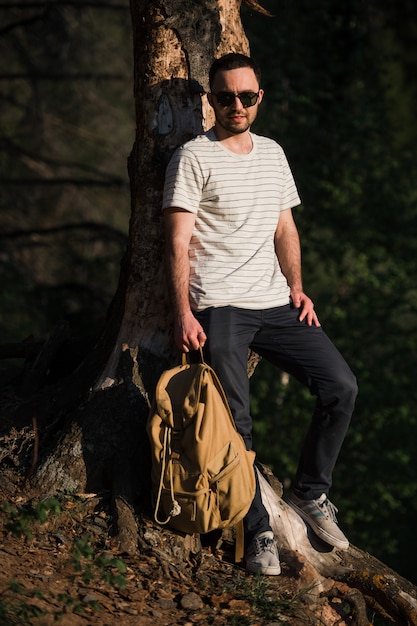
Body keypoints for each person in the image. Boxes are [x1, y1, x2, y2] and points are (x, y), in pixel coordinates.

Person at [162, 52, 358, 576]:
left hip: (275, 301)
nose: (236, 105)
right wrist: (182, 311)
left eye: (246, 96)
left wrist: (298, 288)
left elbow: (285, 229)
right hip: (220, 306)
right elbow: (177, 242)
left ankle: (310, 495)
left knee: (341, 386)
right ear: (212, 101)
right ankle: (257, 533)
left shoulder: (272, 153)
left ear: (259, 97)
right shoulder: (191, 158)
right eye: (225, 97)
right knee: (235, 420)